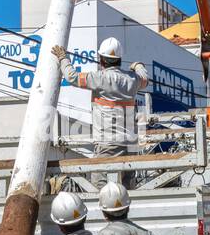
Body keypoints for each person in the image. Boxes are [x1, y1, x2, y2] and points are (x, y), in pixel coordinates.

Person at [50, 37, 149, 187]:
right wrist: (138, 66)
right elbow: (145, 79)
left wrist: (63, 58)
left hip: (108, 143)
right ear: (119, 59)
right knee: (127, 189)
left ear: (101, 59)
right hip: (130, 143)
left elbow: (72, 77)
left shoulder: (99, 78)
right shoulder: (132, 79)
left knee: (101, 188)